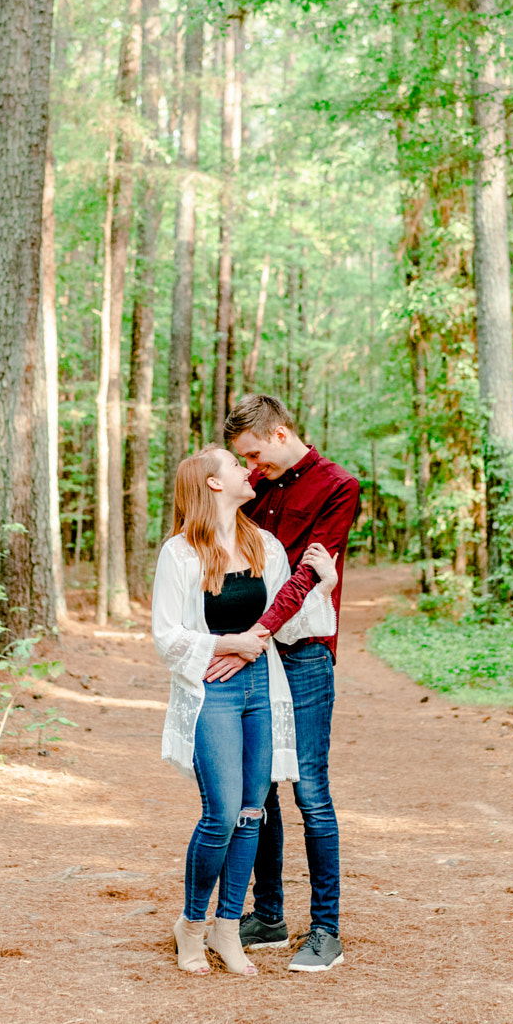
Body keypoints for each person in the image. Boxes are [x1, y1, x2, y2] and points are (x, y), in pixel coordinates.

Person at [151, 447, 339, 976]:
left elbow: (292, 624)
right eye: (235, 464)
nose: (246, 470)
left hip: (262, 687)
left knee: (251, 810)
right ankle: (191, 926)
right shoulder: (181, 553)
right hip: (212, 688)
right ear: (212, 484)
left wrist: (322, 586)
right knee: (220, 812)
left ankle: (228, 928)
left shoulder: (265, 545)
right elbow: (167, 637)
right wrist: (228, 644)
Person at [216, 394, 361, 974]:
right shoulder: (258, 483)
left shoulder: (337, 486)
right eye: (244, 460)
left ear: (280, 433)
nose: (254, 467)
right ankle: (269, 915)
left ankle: (326, 929)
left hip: (301, 652)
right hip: (257, 650)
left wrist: (260, 630)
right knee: (264, 786)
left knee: (311, 790)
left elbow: (306, 574)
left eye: (257, 455)